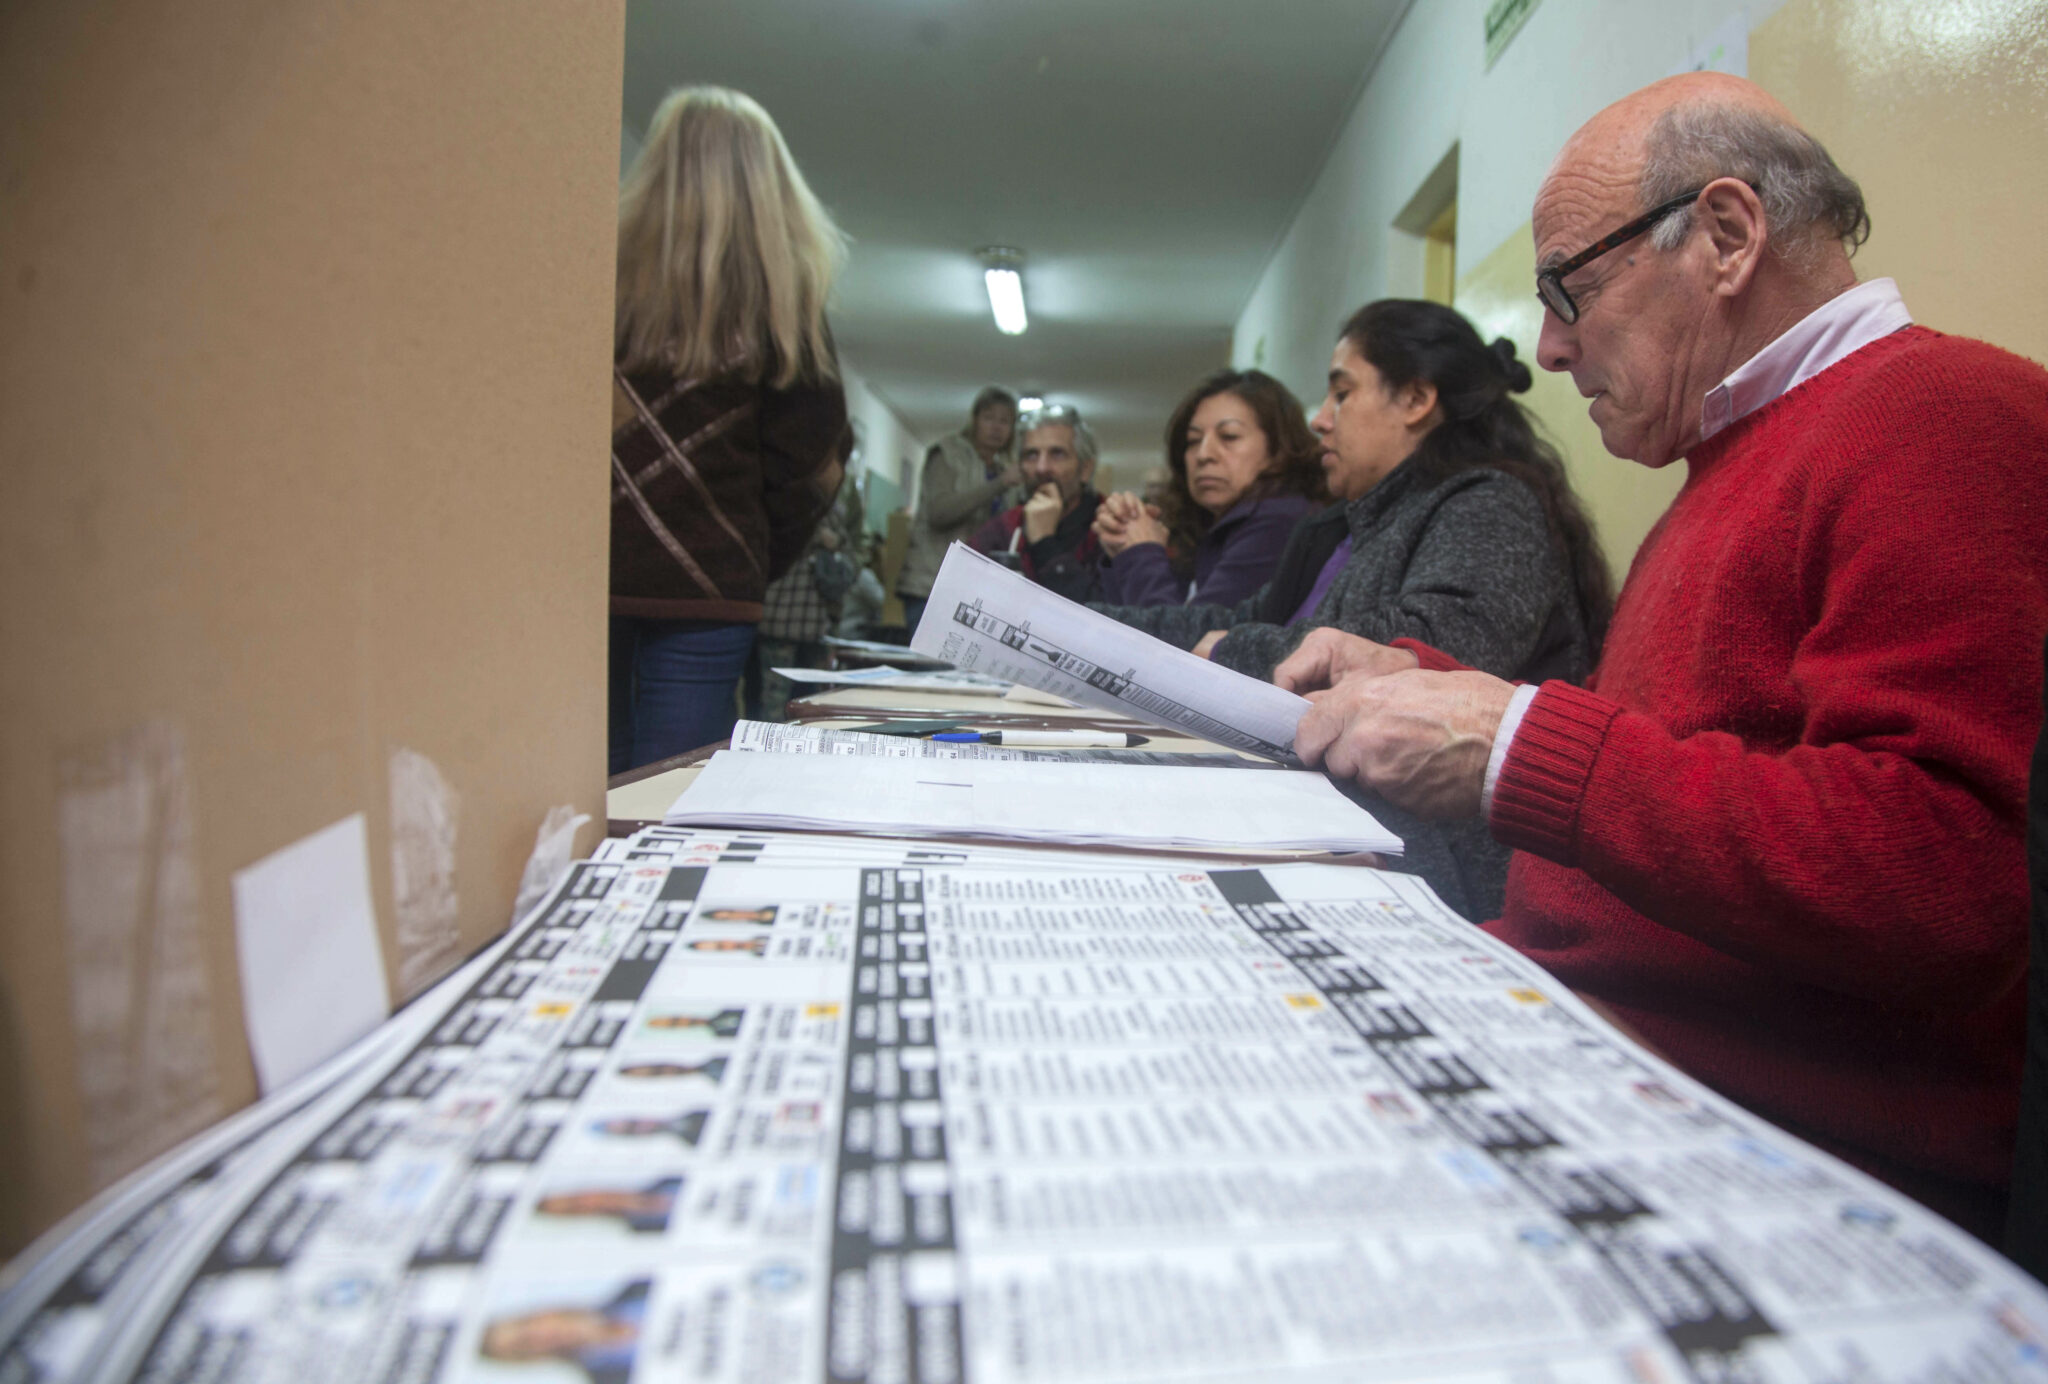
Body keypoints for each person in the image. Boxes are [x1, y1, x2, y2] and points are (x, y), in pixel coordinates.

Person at [1282, 74, 2048, 1240]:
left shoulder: (1945, 415)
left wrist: (1515, 742)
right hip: (1579, 1037)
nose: (1543, 346)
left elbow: (1944, 876)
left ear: (1727, 236)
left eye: (1567, 291)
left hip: (1777, 1154)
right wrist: (1439, 686)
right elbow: (1691, 761)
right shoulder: (1727, 457)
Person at [608, 86, 851, 773]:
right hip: (712, 585)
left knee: (586, 771)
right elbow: (814, 460)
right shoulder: (786, 306)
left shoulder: (596, 285)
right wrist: (754, 555)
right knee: (671, 782)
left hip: (587, 575)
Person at [1092, 369, 1326, 609]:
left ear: (1278, 449)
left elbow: (1176, 640)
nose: (1203, 455)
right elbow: (1126, 629)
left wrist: (1142, 552)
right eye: (1193, 441)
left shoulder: (1279, 521)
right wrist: (1124, 549)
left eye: (1229, 436)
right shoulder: (1207, 524)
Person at [897, 387, 1020, 632]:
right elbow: (939, 513)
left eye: (1005, 421)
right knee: (930, 666)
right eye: (989, 418)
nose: (996, 427)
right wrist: (999, 484)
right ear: (974, 420)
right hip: (932, 583)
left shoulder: (1005, 468)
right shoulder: (947, 454)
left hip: (978, 590)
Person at [969, 404, 1105, 603]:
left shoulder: (1111, 526)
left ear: (1085, 469)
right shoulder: (1004, 527)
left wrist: (1044, 542)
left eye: (1057, 454)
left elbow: (1108, 617)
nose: (1041, 468)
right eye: (1031, 455)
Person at [479, 1280, 648, 1384]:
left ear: (542, 1314)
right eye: (523, 1352)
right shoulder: (610, 1380)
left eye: (526, 1337)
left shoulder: (642, 1285)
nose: (539, 1343)